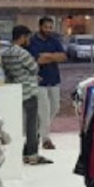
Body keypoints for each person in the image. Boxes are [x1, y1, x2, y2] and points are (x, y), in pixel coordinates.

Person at [2, 25, 52, 165]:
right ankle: (32, 154)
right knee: (32, 124)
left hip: (16, 90)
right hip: (29, 91)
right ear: (22, 37)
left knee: (24, 122)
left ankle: (26, 152)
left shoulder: (5, 53)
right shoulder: (22, 53)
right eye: (27, 37)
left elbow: (9, 72)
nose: (29, 40)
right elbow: (34, 68)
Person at [29, 16, 67, 150]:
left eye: (51, 27)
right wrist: (53, 56)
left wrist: (47, 56)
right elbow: (37, 60)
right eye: (46, 27)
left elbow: (63, 57)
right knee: (44, 110)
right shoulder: (32, 41)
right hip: (39, 80)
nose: (49, 30)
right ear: (40, 27)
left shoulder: (54, 40)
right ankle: (46, 139)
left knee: (55, 107)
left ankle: (38, 130)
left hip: (54, 79)